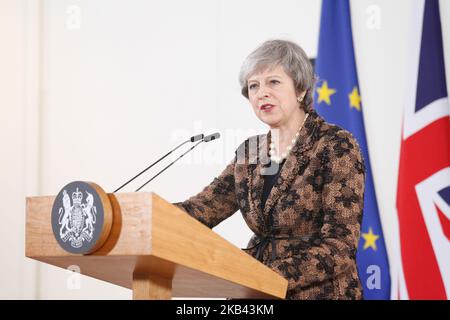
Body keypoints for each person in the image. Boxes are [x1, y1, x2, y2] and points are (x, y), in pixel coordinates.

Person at [173, 39, 365, 300]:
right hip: (255, 292)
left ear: (300, 89)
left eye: (273, 82)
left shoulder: (335, 144)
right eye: (253, 86)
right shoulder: (249, 153)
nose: (261, 93)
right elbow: (201, 209)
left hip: (321, 292)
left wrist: (258, 273)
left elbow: (340, 246)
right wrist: (142, 213)